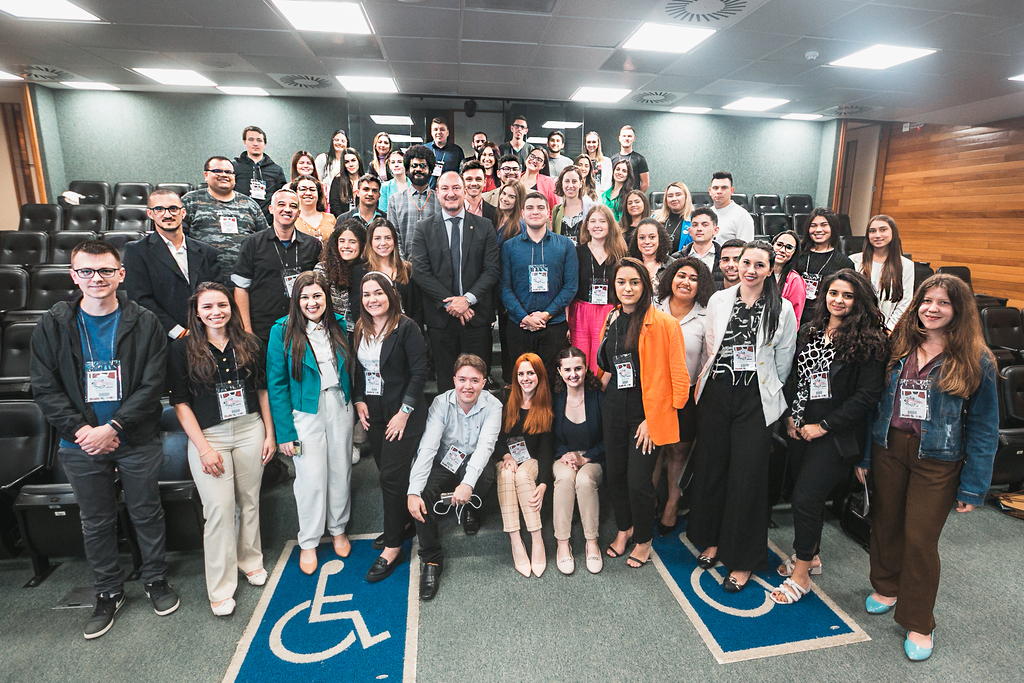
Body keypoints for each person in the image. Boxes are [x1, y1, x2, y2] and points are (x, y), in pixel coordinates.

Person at [30, 240, 179, 639]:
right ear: (73, 275)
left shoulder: (144, 321)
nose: (96, 279)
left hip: (135, 436)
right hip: (79, 443)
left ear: (121, 274)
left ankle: (155, 580)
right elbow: (44, 388)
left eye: (105, 271)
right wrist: (83, 432)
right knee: (96, 521)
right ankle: (108, 592)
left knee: (147, 512)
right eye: (86, 271)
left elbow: (153, 384)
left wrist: (113, 428)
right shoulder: (53, 323)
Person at [858, 273, 998, 661]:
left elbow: (985, 427)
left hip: (938, 458)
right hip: (888, 446)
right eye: (927, 301)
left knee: (920, 538)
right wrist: (866, 458)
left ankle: (919, 620)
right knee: (885, 522)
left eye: (943, 303)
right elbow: (875, 407)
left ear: (959, 311)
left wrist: (974, 486)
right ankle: (886, 586)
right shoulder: (899, 345)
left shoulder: (977, 359)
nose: (932, 309)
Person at [769, 269, 888, 606]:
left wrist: (822, 426)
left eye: (847, 295)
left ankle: (802, 574)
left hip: (834, 436)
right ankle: (813, 555)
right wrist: (792, 416)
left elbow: (867, 397)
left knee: (807, 499)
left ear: (859, 300)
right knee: (803, 495)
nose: (838, 300)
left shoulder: (871, 341)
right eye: (833, 293)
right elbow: (797, 377)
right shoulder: (811, 330)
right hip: (799, 429)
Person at [686, 240, 798, 593]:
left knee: (747, 477)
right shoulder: (721, 299)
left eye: (759, 265)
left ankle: (743, 559)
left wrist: (763, 389)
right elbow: (709, 345)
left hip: (756, 399)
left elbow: (783, 361)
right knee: (714, 469)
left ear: (770, 269)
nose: (750, 270)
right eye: (745, 262)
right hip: (718, 394)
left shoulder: (783, 309)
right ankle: (715, 541)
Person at [169, 282, 276, 616]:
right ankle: (220, 586)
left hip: (249, 430)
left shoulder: (250, 343)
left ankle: (251, 561)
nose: (216, 312)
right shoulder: (181, 349)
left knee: (249, 502)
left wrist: (269, 434)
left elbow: (262, 391)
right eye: (208, 307)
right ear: (197, 313)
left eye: (222, 305)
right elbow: (180, 403)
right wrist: (202, 448)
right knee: (218, 509)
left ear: (232, 307)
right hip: (209, 436)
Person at [598, 257, 689, 568]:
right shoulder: (611, 318)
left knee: (638, 480)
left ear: (645, 286)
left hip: (645, 415)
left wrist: (655, 420)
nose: (627, 288)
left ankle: (644, 539)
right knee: (616, 475)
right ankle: (625, 528)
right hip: (613, 408)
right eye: (621, 282)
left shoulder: (665, 323)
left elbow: (680, 380)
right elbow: (608, 366)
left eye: (634, 282)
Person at [266, 270, 354, 576]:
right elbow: (276, 385)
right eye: (305, 297)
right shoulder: (282, 331)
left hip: (340, 404)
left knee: (340, 469)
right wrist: (284, 432)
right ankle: (309, 540)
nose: (312, 302)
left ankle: (338, 528)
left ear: (326, 298)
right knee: (311, 477)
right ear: (296, 300)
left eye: (317, 295)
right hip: (305, 411)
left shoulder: (339, 325)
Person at [352, 272, 429, 583]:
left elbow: (420, 373)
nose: (372, 299)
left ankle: (394, 546)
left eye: (378, 293)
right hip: (375, 413)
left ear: (390, 294)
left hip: (403, 415)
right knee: (390, 474)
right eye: (367, 294)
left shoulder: (406, 327)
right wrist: (358, 400)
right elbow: (358, 370)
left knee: (389, 476)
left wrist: (404, 412)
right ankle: (403, 524)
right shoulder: (360, 328)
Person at [406, 354, 503, 600]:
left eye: (474, 380)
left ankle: (471, 508)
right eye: (462, 379)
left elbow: (485, 448)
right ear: (453, 380)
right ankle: (431, 560)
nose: (467, 386)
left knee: (485, 474)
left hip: (473, 459)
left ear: (483, 382)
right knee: (424, 491)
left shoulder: (494, 405)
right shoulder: (440, 403)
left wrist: (467, 484)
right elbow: (428, 447)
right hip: (446, 458)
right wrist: (413, 491)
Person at [410, 171, 500, 393]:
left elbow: (491, 270)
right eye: (445, 189)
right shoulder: (423, 228)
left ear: (464, 190)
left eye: (456, 188)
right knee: (446, 382)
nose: (451, 194)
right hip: (441, 319)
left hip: (476, 317)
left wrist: (467, 300)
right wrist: (451, 304)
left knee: (478, 380)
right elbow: (421, 272)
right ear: (437, 193)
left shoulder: (485, 226)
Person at [653, 257, 714, 534]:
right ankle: (647, 504)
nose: (685, 282)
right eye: (681, 276)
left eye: (693, 278)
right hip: (652, 392)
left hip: (686, 393)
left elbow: (706, 360)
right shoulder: (653, 306)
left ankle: (671, 507)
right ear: (670, 278)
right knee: (651, 450)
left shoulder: (706, 315)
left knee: (678, 451)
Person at [124, 188, 222, 340]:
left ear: (183, 213)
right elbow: (140, 299)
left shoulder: (207, 252)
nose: (167, 214)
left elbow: (218, 293)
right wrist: (178, 332)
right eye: (159, 209)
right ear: (150, 214)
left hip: (207, 334)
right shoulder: (136, 251)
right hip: (163, 337)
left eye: (173, 209)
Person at [500, 192, 578, 375]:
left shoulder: (565, 245)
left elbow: (570, 286)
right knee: (522, 383)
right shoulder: (509, 247)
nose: (535, 212)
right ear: (522, 213)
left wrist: (546, 315)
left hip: (553, 326)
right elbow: (504, 287)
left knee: (551, 382)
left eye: (540, 207)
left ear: (549, 213)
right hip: (519, 326)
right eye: (530, 208)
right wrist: (524, 317)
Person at [232, 189, 321, 343]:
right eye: (281, 204)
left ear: (298, 213)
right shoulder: (252, 243)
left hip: (302, 327)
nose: (287, 209)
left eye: (293, 206)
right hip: (262, 329)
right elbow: (241, 288)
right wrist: (246, 331)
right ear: (271, 209)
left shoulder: (313, 245)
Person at [494, 353, 555, 577]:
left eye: (530, 373)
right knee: (508, 475)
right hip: (507, 459)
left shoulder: (547, 402)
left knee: (521, 476)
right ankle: (516, 540)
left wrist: (544, 483)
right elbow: (494, 437)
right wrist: (505, 456)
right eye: (521, 373)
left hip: (533, 460)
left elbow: (547, 448)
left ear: (539, 375)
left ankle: (537, 539)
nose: (525, 378)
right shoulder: (505, 398)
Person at [551, 348, 605, 575]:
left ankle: (591, 541)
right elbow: (549, 435)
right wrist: (566, 454)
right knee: (564, 479)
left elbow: (609, 438)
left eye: (578, 368)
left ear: (585, 368)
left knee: (583, 480)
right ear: (559, 371)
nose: (573, 374)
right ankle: (563, 544)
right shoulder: (555, 398)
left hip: (594, 456)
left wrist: (584, 458)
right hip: (563, 456)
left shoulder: (598, 396)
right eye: (567, 369)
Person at [181, 156, 268, 276]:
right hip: (202, 280)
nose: (224, 175)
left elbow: (265, 241)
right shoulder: (190, 201)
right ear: (206, 175)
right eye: (217, 171)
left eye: (228, 172)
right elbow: (178, 240)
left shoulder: (249, 205)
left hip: (243, 280)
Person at [569, 204, 627, 376]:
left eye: (602, 221)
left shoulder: (620, 253)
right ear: (586, 225)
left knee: (602, 357)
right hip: (581, 311)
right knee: (580, 357)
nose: (597, 225)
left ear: (610, 225)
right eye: (592, 221)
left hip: (610, 311)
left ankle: (600, 396)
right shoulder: (576, 252)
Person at [850, 215, 915, 332]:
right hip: (855, 326)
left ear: (893, 233)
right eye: (872, 231)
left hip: (887, 329)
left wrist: (889, 328)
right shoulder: (854, 260)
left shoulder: (906, 265)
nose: (877, 235)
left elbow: (905, 301)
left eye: (883, 230)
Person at [353, 218, 421, 324]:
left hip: (405, 333)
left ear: (394, 240)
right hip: (373, 334)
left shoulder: (407, 270)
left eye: (388, 238)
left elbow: (417, 308)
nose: (383, 243)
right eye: (377, 238)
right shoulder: (360, 271)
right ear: (370, 241)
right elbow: (357, 310)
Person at [793, 208, 854, 317]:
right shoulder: (797, 254)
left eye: (824, 225)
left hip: (824, 317)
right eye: (813, 225)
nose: (818, 230)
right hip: (794, 313)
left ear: (833, 228)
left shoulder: (844, 263)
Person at [386, 145, 440, 259]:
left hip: (435, 268)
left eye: (423, 166)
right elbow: (394, 236)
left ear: (430, 170)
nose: (418, 169)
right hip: (404, 268)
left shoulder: (440, 200)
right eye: (414, 166)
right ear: (407, 170)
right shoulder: (395, 200)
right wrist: (403, 265)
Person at [315, 219, 367, 330]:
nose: (346, 246)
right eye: (342, 241)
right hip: (332, 330)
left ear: (362, 245)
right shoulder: (323, 269)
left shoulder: (368, 269)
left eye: (352, 242)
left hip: (362, 330)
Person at [233, 125, 287, 223]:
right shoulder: (233, 167)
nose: (255, 143)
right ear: (244, 142)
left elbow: (282, 196)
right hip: (240, 219)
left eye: (259, 140)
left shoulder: (276, 170)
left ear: (264, 144)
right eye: (251, 139)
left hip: (268, 221)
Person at [674, 207, 721, 283]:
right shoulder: (676, 258)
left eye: (705, 225)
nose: (699, 229)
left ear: (715, 230)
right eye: (695, 225)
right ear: (689, 231)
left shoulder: (724, 258)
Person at [550, 165, 595, 244]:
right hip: (563, 255)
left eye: (574, 181)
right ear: (561, 183)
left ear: (580, 184)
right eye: (567, 181)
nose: (570, 185)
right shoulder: (556, 210)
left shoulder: (592, 208)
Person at [629, 218, 674, 291]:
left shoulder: (673, 265)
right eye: (642, 238)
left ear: (660, 238)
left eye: (652, 237)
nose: (647, 241)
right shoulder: (629, 265)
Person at [709, 172, 755, 244]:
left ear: (731, 191)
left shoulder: (742, 216)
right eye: (715, 188)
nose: (719, 191)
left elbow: (745, 249)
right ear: (710, 191)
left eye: (724, 188)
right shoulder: (707, 213)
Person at [772, 230, 807, 323]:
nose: (782, 250)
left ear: (794, 253)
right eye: (779, 245)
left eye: (789, 247)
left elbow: (795, 318)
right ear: (772, 245)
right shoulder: (759, 272)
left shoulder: (796, 281)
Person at [290, 174, 336, 243]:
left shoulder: (330, 218)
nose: (308, 193)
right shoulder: (291, 220)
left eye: (312, 189)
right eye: (303, 189)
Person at [425, 117, 466, 189]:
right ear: (431, 132)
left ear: (447, 133)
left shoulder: (457, 150)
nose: (438, 132)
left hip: (450, 192)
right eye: (435, 129)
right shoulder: (424, 149)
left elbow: (461, 174)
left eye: (442, 129)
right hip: (428, 192)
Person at [655, 182, 693, 252]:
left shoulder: (694, 220)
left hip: (682, 261)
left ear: (686, 197)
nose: (674, 199)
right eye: (670, 196)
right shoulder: (656, 218)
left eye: (678, 195)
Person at [611, 125, 650, 193]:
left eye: (629, 136)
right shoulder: (613, 159)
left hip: (631, 201)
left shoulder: (640, 159)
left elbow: (645, 184)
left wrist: (636, 197)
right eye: (624, 136)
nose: (626, 138)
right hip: (615, 200)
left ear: (633, 139)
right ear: (619, 138)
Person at [328, 148, 365, 218]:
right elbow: (334, 206)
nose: (350, 164)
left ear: (359, 161)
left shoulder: (366, 181)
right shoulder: (337, 181)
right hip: (343, 222)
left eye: (353, 160)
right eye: (346, 162)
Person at [461, 159, 498, 225]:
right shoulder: (452, 210)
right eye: (469, 179)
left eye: (478, 179)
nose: (474, 183)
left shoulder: (495, 213)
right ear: (462, 182)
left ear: (484, 182)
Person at [315, 128, 348, 200]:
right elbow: (317, 180)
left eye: (343, 141)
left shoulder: (348, 161)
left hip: (342, 199)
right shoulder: (322, 158)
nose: (339, 143)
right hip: (325, 198)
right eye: (336, 140)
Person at [601, 158, 636, 223]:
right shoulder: (604, 194)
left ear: (628, 175)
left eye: (624, 171)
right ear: (613, 171)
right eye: (618, 169)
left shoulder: (630, 195)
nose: (620, 173)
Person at [378, 150, 408, 214]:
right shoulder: (384, 187)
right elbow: (383, 211)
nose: (396, 165)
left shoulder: (414, 185)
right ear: (389, 165)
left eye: (400, 162)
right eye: (393, 162)